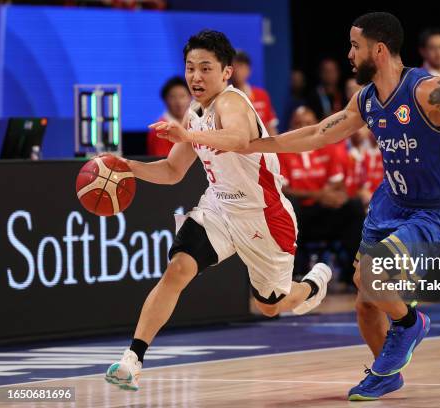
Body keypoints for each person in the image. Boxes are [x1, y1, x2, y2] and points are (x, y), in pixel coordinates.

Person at [243, 12, 440, 401]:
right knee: (365, 305)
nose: (348, 54)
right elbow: (317, 133)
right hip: (388, 204)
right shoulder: (366, 99)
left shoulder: (428, 92)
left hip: (432, 212)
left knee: (370, 276)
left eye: (354, 46)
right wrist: (258, 144)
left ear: (378, 50)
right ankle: (386, 372)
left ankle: (411, 322)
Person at [103, 30, 332, 391]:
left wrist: (188, 136)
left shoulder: (231, 102)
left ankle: (310, 285)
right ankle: (132, 359)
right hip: (220, 208)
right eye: (190, 68)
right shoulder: (195, 113)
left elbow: (239, 139)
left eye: (205, 68)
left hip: (265, 217)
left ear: (226, 72)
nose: (196, 77)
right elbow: (173, 171)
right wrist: (128, 166)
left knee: (269, 306)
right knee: (177, 269)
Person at [279, 106, 365, 285]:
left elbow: (337, 181)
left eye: (308, 124)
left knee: (354, 206)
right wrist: (319, 194)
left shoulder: (326, 146)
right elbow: (284, 189)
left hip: (324, 211)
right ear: (290, 128)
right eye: (298, 124)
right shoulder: (282, 152)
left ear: (316, 125)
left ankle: (355, 273)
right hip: (300, 213)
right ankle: (295, 274)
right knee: (290, 205)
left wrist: (331, 196)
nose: (303, 128)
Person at [231, 50, 279, 135]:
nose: (237, 71)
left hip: (263, 147)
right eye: (234, 66)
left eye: (241, 66)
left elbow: (270, 127)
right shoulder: (223, 98)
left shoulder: (262, 95)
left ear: (248, 70)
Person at [146, 76, 191, 157]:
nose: (179, 102)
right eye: (173, 97)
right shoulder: (159, 129)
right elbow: (163, 162)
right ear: (165, 100)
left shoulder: (197, 125)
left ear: (190, 98)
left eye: (182, 96)